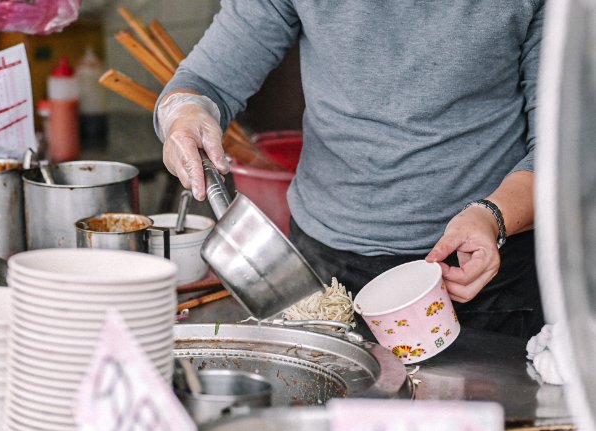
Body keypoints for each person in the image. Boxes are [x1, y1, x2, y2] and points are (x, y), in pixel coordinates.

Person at [155, 1, 545, 339]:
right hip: (321, 273)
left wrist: (493, 216)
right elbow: (205, 81)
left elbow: (567, 149)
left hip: (482, 271)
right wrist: (185, 115)